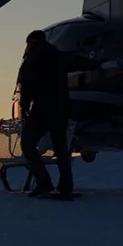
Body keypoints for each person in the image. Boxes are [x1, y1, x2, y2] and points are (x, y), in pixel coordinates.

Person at [18, 29, 74, 198]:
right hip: (61, 110)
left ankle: (44, 182)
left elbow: (25, 86)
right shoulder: (59, 56)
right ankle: (66, 187)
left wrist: (24, 106)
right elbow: (79, 61)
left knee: (27, 144)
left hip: (42, 111)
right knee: (61, 149)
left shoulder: (31, 59)